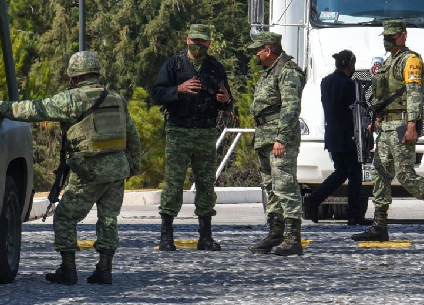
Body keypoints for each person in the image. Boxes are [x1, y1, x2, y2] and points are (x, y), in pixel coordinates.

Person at [0, 51, 141, 285]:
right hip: (117, 170)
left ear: (74, 78)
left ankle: (68, 270)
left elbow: (36, 109)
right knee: (108, 219)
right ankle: (104, 270)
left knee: (64, 218)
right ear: (97, 74)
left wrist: (3, 107)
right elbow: (132, 135)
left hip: (88, 171)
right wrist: (134, 166)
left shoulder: (72, 99)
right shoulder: (116, 98)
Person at [352, 20, 424, 243]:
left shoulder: (410, 60)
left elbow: (414, 93)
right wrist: (377, 120)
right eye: (386, 36)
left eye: (392, 36)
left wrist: (412, 125)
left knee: (405, 175)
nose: (388, 40)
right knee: (379, 173)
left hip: (402, 124)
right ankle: (379, 225)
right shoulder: (389, 61)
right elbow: (384, 95)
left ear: (403, 35)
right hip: (386, 126)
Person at [150, 23, 233, 252]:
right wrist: (179, 89)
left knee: (206, 184)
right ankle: (166, 236)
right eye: (195, 41)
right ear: (187, 40)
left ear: (209, 42)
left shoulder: (215, 67)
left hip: (206, 132)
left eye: (203, 42)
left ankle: (205, 236)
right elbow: (156, 94)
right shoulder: (174, 64)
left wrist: (225, 99)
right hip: (178, 130)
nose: (198, 46)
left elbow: (228, 103)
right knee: (174, 183)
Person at [246, 31, 307, 257]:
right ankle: (276, 233)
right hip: (264, 137)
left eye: (258, 50)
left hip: (278, 139)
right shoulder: (269, 72)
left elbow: (291, 108)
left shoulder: (288, 71)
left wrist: (281, 138)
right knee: (271, 189)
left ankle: (293, 238)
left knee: (285, 187)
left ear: (268, 50)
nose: (256, 54)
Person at [302, 49, 371, 226]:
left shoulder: (325, 82)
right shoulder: (349, 85)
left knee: (341, 173)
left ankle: (314, 200)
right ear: (350, 65)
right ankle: (355, 214)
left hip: (332, 134)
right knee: (355, 174)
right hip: (348, 135)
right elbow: (357, 109)